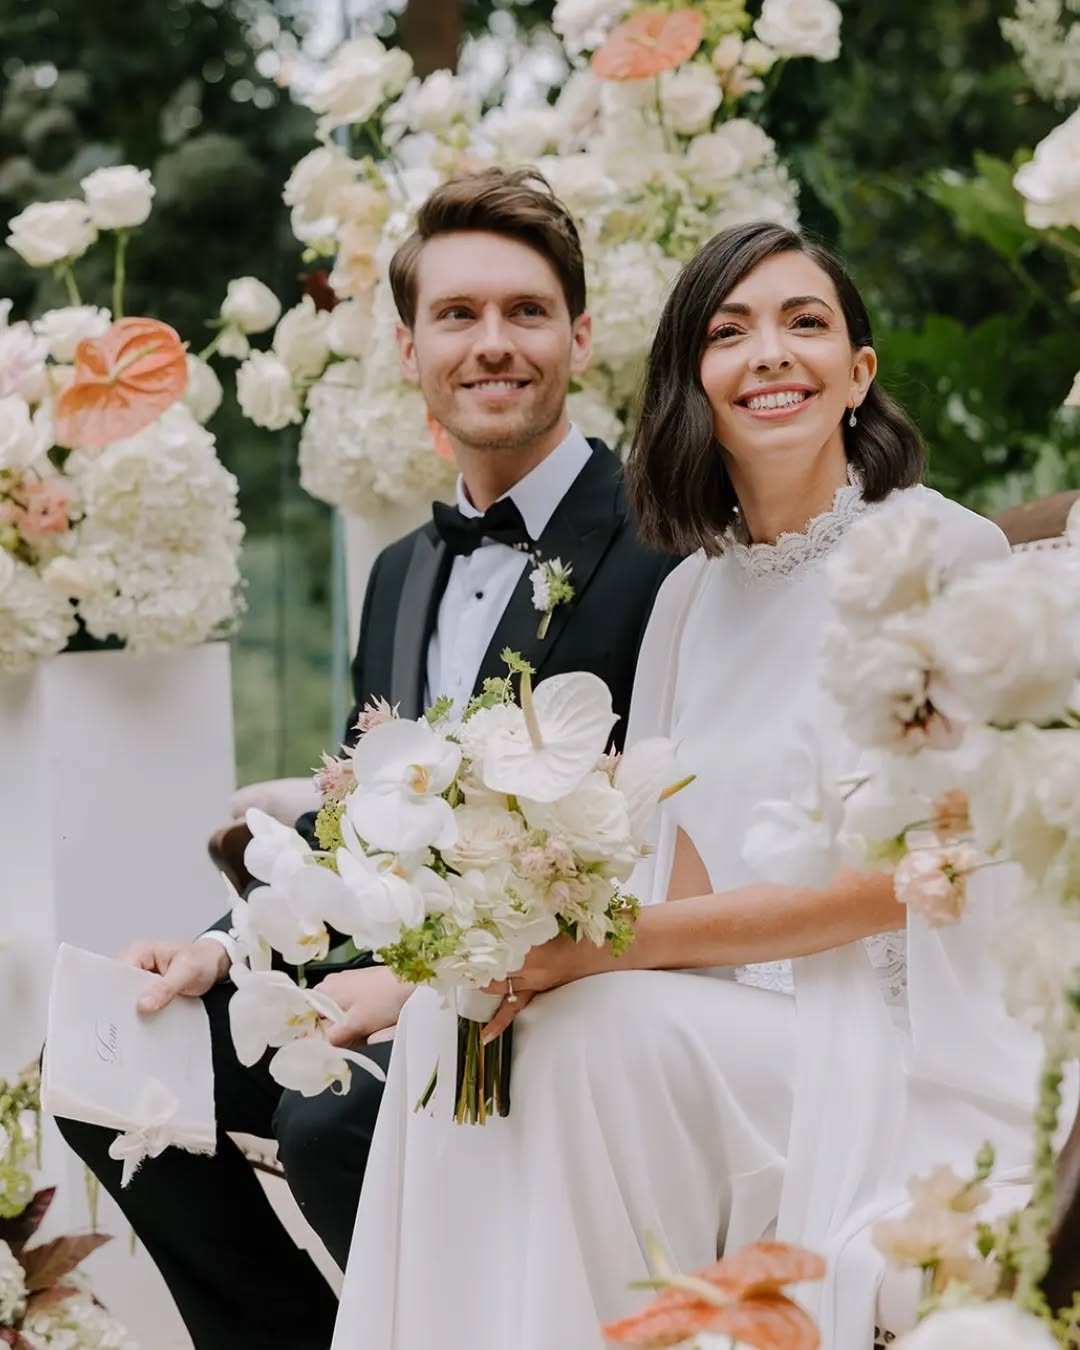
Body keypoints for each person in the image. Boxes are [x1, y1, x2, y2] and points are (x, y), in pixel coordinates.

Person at [330, 221, 1044, 1350]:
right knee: (455, 1024)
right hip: (740, 1013)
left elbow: (907, 883)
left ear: (857, 374)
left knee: (596, 1030)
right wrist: (512, 920)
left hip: (894, 1032)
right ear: (691, 385)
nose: (768, 353)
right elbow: (680, 865)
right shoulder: (689, 600)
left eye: (805, 324)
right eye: (729, 331)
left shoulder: (939, 556)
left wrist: (605, 950)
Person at [52, 168, 676, 1350]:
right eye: (458, 315)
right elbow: (360, 823)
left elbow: (659, 838)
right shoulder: (398, 576)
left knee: (330, 1123)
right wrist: (222, 946)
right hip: (377, 972)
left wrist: (430, 988)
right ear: (409, 348)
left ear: (581, 335)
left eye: (525, 311)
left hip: (563, 993)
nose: (492, 343)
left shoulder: (662, 541)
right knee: (111, 1057)